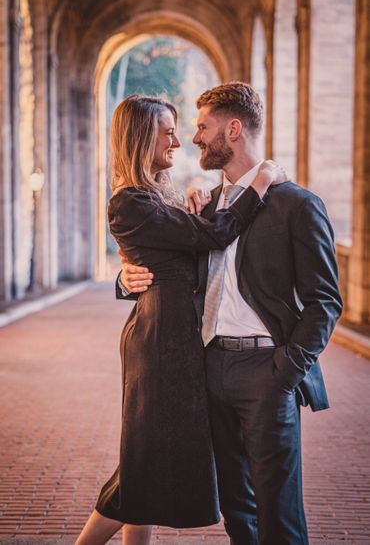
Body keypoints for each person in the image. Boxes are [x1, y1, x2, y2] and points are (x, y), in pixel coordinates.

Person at [119, 82, 343, 545]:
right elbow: (169, 266)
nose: (194, 138)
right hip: (207, 369)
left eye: (202, 127)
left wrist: (285, 370)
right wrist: (126, 278)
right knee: (237, 508)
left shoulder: (297, 204)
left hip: (267, 370)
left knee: (277, 509)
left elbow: (325, 301)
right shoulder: (203, 208)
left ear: (234, 129)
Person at [75, 94, 285, 545]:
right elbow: (216, 234)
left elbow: (176, 255)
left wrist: (196, 198)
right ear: (140, 136)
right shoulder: (129, 201)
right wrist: (261, 182)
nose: (177, 139)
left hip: (175, 337)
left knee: (144, 461)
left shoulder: (158, 194)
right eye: (167, 130)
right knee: (143, 462)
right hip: (158, 344)